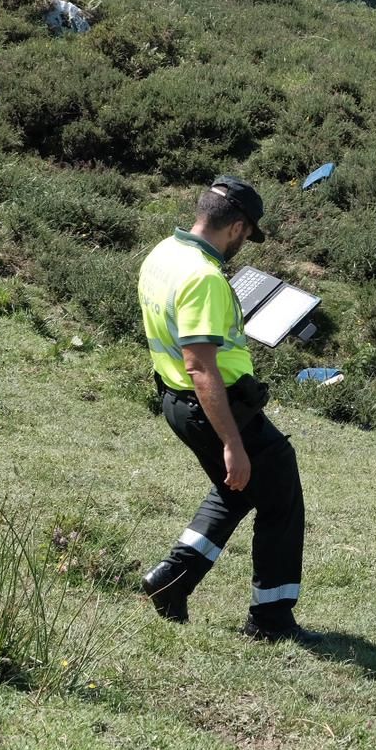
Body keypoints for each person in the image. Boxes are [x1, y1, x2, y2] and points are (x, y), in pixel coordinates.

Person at [137, 175, 319, 644]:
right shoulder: (204, 277)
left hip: (176, 400)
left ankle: (171, 583)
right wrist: (233, 444)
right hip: (215, 409)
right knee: (280, 491)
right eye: (248, 234)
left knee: (236, 491)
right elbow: (201, 367)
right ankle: (271, 619)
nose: (245, 244)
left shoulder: (165, 254)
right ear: (237, 227)